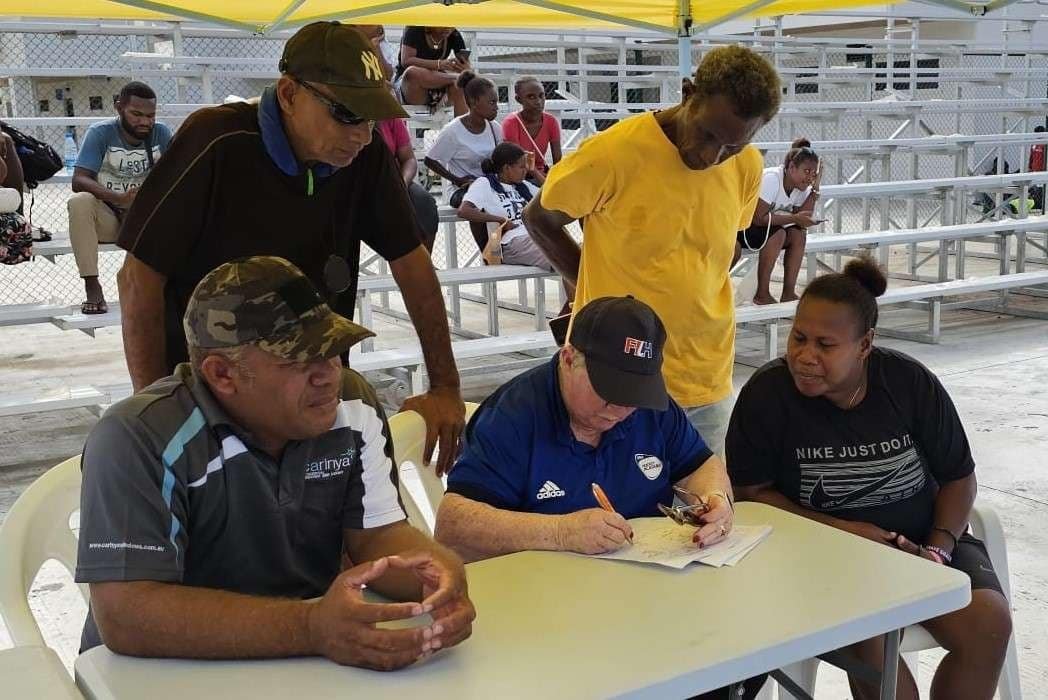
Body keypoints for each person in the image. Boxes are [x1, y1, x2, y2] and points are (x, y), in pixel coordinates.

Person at [75, 256, 475, 668]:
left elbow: (377, 536)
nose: (329, 376)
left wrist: (440, 578)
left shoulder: (351, 405)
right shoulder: (138, 437)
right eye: (300, 361)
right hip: (152, 674)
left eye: (333, 350)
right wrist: (311, 627)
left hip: (299, 662)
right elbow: (126, 614)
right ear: (222, 374)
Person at [115, 22, 466, 475]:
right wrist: (157, 411)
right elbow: (138, 278)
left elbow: (413, 265)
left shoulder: (365, 156)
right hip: (213, 397)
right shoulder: (216, 141)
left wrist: (445, 386)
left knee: (354, 519)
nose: (361, 134)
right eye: (345, 113)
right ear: (288, 93)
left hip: (311, 390)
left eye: (372, 117)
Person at [725, 258, 1012, 700]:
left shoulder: (908, 382)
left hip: (921, 545)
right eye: (799, 337)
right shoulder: (767, 395)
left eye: (826, 344)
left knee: (989, 624)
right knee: (883, 667)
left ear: (865, 345)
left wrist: (937, 550)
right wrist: (842, 532)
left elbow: (959, 478)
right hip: (823, 558)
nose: (805, 355)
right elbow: (751, 496)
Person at [524, 46, 782, 455]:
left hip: (706, 376)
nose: (711, 157)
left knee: (704, 510)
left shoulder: (747, 165)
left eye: (730, 146)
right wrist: (595, 297)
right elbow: (539, 218)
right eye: (708, 135)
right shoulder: (612, 152)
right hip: (614, 374)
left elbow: (724, 246)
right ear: (687, 93)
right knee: (611, 512)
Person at [435, 295, 734, 560]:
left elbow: (699, 465)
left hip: (640, 589)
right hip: (540, 593)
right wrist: (560, 533)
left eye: (636, 394)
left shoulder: (652, 411)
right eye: (609, 390)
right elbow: (453, 525)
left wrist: (716, 499)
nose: (621, 409)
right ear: (568, 359)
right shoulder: (513, 416)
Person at [69, 81, 173, 314]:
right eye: (136, 114)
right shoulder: (101, 132)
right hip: (110, 217)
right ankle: (92, 286)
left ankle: (170, 288)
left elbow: (178, 174)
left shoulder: (161, 133)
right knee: (79, 202)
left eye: (150, 115)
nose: (145, 121)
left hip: (145, 220)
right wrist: (117, 197)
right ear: (119, 107)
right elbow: (79, 179)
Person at [736, 138, 821, 305]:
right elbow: (758, 218)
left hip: (766, 230)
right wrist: (794, 218)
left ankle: (788, 293)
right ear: (791, 168)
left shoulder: (803, 187)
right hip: (743, 227)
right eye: (807, 171)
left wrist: (815, 190)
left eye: (814, 173)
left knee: (798, 234)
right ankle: (762, 294)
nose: (810, 177)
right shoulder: (771, 179)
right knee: (779, 233)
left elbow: (802, 221)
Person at [424, 71, 501, 252]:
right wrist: (456, 179)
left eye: (496, 102)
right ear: (474, 102)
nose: (496, 107)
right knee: (480, 206)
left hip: (487, 185)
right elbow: (430, 160)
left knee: (505, 204)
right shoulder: (453, 131)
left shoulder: (494, 128)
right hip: (461, 189)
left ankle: (500, 249)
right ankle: (488, 252)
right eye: (492, 102)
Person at [377, 117, 439, 252]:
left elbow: (409, 159)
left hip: (392, 181)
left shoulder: (391, 116)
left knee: (425, 203)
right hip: (359, 184)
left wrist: (401, 185)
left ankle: (423, 263)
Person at [500, 76, 561, 185]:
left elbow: (558, 160)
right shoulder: (511, 123)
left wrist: (556, 177)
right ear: (518, 99)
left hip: (541, 175)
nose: (538, 101)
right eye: (531, 97)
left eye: (541, 96)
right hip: (519, 178)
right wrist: (545, 181)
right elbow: (518, 160)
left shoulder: (551, 121)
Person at [395, 26, 470, 115]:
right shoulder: (414, 29)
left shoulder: (454, 34)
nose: (448, 27)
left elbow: (466, 64)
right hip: (409, 87)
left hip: (437, 86)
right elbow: (406, 61)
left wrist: (464, 67)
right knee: (412, 72)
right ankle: (455, 78)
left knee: (457, 86)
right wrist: (438, 64)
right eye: (444, 22)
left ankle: (464, 127)